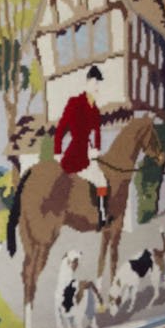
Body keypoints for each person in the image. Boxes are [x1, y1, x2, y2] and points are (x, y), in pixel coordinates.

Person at [54, 66, 108, 226]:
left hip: (89, 151)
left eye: (98, 83)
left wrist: (96, 148)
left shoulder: (96, 109)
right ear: (88, 82)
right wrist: (57, 150)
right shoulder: (75, 102)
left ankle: (102, 214)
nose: (96, 86)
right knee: (83, 180)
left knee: (102, 181)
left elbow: (97, 132)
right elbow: (61, 128)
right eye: (94, 82)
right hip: (75, 151)